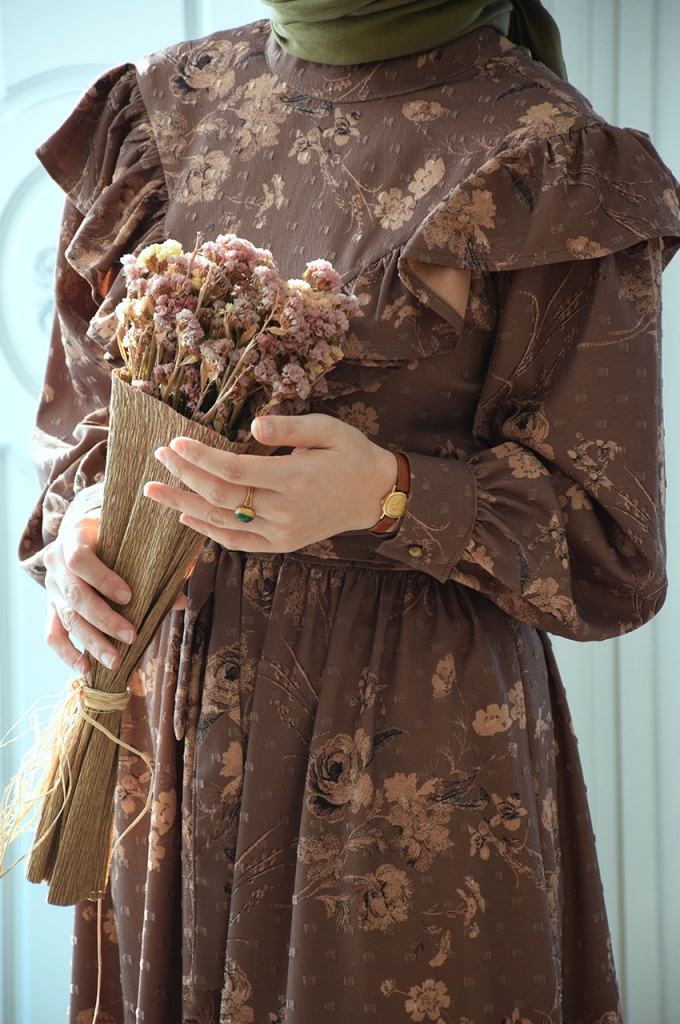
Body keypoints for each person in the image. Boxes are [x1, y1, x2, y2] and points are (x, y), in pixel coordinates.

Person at [20, 1, 680, 1021]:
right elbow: (84, 421)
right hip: (164, 738)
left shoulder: (542, 153)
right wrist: (77, 531)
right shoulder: (157, 110)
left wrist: (391, 495)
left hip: (401, 755)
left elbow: (612, 551)